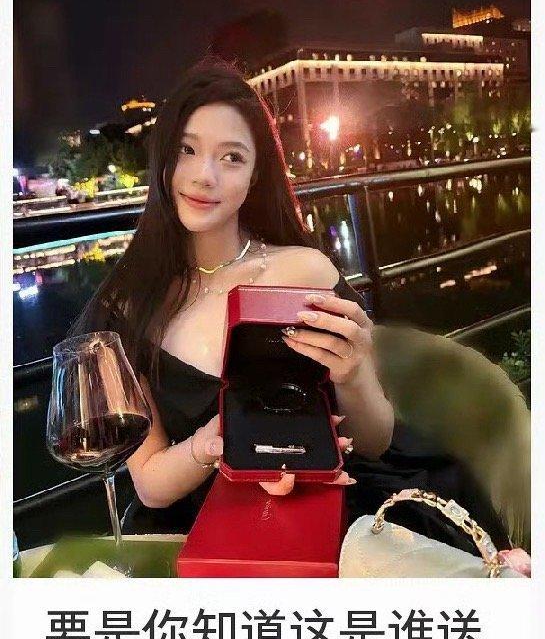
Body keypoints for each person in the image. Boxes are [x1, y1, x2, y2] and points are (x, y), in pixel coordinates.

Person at [71, 59, 510, 555]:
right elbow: (150, 483)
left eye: (232, 157)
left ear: (255, 175)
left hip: (340, 497)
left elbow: (376, 440)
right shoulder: (128, 304)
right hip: (212, 518)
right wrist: (218, 441)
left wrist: (352, 375)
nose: (204, 176)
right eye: (186, 150)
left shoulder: (305, 270)